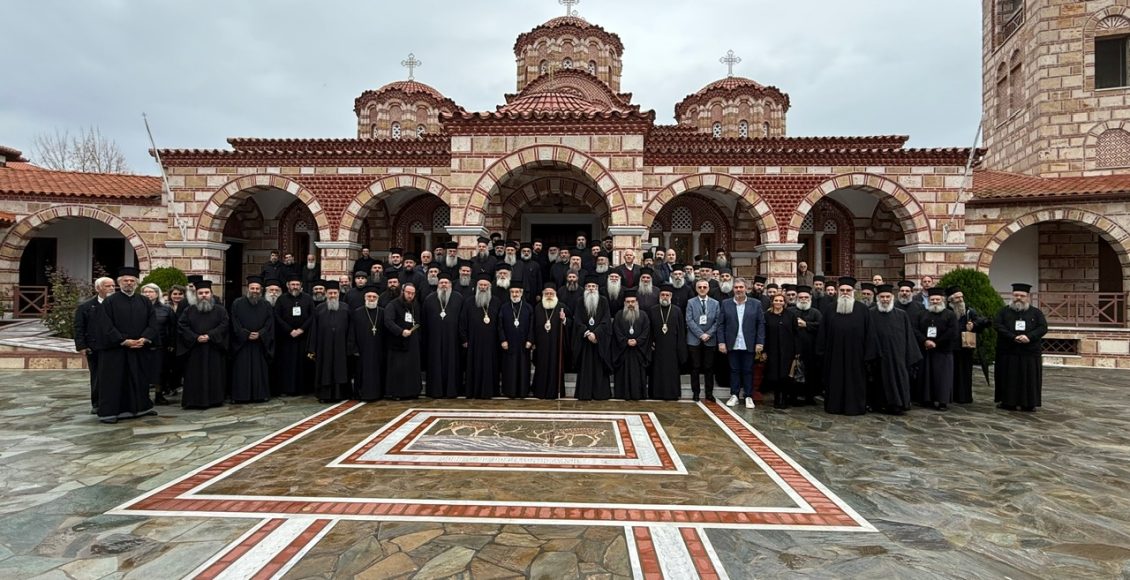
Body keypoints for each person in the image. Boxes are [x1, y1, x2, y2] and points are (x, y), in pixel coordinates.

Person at [93, 267, 158, 424]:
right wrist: (123, 340)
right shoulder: (110, 302)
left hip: (139, 349)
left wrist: (144, 338)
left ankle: (142, 408)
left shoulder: (144, 301)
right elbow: (105, 326)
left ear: (136, 282)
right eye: (125, 280)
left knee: (140, 379)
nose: (129, 283)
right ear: (119, 282)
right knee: (115, 381)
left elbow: (153, 323)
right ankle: (111, 412)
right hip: (117, 351)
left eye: (132, 281)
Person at [816, 276, 878, 416]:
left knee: (855, 381)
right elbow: (822, 333)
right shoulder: (830, 309)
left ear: (853, 292)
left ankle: (854, 407)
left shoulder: (863, 310)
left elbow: (870, 334)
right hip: (834, 355)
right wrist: (821, 353)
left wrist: (869, 355)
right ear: (838, 291)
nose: (845, 292)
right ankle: (834, 406)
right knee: (835, 381)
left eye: (848, 290)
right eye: (842, 290)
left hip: (856, 356)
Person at [993, 283, 1047, 412]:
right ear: (1012, 296)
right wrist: (1012, 337)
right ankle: (1008, 402)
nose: (1018, 298)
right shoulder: (1003, 311)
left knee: (1029, 378)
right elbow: (998, 325)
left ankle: (1029, 403)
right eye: (1016, 295)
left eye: (1022, 296)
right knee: (1008, 378)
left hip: (1029, 352)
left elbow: (1043, 327)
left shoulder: (1036, 313)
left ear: (1027, 297)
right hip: (1008, 351)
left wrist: (1029, 336)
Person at [869, 285, 921, 415]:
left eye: (887, 297)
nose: (885, 299)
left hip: (897, 356)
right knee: (878, 380)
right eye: (882, 297)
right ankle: (878, 404)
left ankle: (897, 404)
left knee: (898, 379)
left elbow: (909, 336)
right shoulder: (870, 313)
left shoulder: (901, 315)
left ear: (892, 297)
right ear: (877, 298)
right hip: (878, 355)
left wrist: (910, 357)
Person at [177, 280, 228, 410]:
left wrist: (210, 336)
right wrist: (196, 337)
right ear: (196, 295)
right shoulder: (189, 310)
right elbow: (182, 326)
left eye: (206, 292)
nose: (204, 295)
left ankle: (215, 400)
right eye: (200, 293)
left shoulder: (220, 310)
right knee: (194, 376)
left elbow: (224, 325)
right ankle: (193, 401)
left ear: (211, 294)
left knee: (214, 374)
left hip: (213, 348)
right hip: (195, 350)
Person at [717, 278, 765, 409]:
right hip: (732, 343)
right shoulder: (726, 304)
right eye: (736, 287)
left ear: (746, 289)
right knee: (734, 370)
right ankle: (734, 395)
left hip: (749, 342)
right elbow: (721, 324)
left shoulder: (756, 304)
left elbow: (761, 324)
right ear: (733, 289)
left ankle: (748, 396)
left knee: (748, 370)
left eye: (741, 287)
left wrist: (760, 342)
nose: (738, 290)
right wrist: (721, 342)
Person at [229, 276, 274, 404]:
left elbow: (269, 323)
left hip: (260, 344)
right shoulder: (237, 303)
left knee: (260, 371)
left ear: (261, 290)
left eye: (257, 288)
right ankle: (240, 396)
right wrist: (245, 334)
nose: (255, 291)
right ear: (247, 289)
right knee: (241, 371)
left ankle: (261, 395)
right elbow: (234, 322)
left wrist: (260, 333)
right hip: (242, 344)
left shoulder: (266, 305)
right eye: (252, 288)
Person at [75, 277, 116, 414]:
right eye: (107, 286)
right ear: (98, 288)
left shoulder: (118, 305)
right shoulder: (86, 307)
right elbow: (79, 327)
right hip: (95, 347)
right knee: (98, 376)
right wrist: (81, 346)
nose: (111, 288)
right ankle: (97, 403)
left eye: (113, 286)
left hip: (115, 346)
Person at [307, 281, 353, 403]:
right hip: (324, 346)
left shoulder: (345, 308)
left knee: (340, 370)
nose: (332, 295)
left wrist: (350, 345)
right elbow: (314, 329)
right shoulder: (319, 309)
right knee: (324, 370)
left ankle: (340, 394)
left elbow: (351, 329)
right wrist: (313, 348)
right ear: (326, 294)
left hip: (341, 346)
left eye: (335, 293)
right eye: (330, 293)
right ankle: (324, 395)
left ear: (338, 294)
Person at [914, 287, 959, 411]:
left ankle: (942, 401)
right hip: (926, 350)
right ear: (929, 300)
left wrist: (936, 343)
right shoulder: (921, 314)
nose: (934, 301)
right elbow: (915, 330)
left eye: (937, 299)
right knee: (926, 376)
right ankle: (926, 399)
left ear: (942, 300)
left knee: (942, 378)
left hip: (943, 351)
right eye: (932, 299)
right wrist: (925, 341)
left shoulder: (949, 314)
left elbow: (953, 332)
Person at [422, 273, 464, 398]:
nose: (444, 285)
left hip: (453, 340)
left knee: (453, 364)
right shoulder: (429, 299)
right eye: (441, 283)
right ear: (438, 284)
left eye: (446, 283)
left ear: (451, 285)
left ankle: (452, 390)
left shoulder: (458, 298)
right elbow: (424, 321)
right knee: (435, 364)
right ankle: (436, 391)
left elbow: (462, 320)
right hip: (434, 340)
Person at [572, 275, 612, 400]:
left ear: (597, 288)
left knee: (599, 367)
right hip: (585, 341)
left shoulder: (604, 301)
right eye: (588, 286)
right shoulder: (580, 301)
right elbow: (577, 320)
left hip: (599, 341)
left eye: (593, 286)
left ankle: (600, 394)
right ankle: (585, 393)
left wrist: (596, 334)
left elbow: (606, 320)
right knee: (586, 367)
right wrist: (587, 333)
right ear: (585, 288)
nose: (591, 289)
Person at [273, 275, 314, 396]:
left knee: (303, 364)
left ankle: (303, 389)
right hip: (286, 339)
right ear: (288, 285)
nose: (295, 287)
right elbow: (277, 316)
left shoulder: (308, 298)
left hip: (303, 338)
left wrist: (301, 329)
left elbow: (312, 315)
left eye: (297, 285)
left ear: (301, 286)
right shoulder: (281, 299)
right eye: (292, 284)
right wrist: (290, 330)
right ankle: (287, 389)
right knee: (287, 364)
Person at [948, 287, 990, 404]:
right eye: (957, 297)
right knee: (951, 373)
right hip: (950, 348)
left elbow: (983, 321)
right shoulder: (946, 310)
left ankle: (963, 397)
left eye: (961, 297)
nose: (960, 299)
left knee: (964, 373)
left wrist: (974, 325)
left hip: (965, 347)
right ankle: (950, 396)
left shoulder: (969, 311)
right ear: (951, 300)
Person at [462, 274, 501, 399]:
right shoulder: (469, 301)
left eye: (485, 285)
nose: (483, 287)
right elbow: (463, 321)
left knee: (490, 366)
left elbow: (500, 323)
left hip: (491, 342)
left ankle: (490, 391)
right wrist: (464, 339)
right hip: (474, 341)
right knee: (474, 365)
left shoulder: (496, 301)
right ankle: (474, 391)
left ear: (489, 287)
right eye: (481, 285)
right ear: (477, 286)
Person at [647, 283, 688, 401]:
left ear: (671, 296)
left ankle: (672, 394)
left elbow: (681, 331)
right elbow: (649, 330)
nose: (665, 297)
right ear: (659, 296)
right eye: (663, 295)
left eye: (667, 295)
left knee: (671, 372)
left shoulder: (677, 310)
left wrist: (680, 348)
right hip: (657, 347)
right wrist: (650, 344)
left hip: (672, 348)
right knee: (657, 371)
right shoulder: (653, 310)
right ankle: (656, 393)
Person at [384, 282, 423, 399]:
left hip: (412, 342)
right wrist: (401, 331)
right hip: (398, 342)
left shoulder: (415, 305)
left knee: (412, 368)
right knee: (399, 369)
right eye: (408, 293)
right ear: (403, 292)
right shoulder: (393, 305)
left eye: (412, 293)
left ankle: (413, 391)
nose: (410, 295)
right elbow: (388, 321)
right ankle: (397, 393)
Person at [532, 283, 570, 399]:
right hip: (541, 344)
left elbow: (571, 324)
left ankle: (554, 392)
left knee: (555, 366)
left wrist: (564, 320)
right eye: (546, 293)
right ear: (543, 295)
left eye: (551, 294)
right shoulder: (538, 307)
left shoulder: (561, 307)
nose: (549, 296)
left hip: (556, 344)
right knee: (541, 366)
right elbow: (532, 326)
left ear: (555, 295)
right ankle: (540, 391)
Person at [685, 279, 721, 402]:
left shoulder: (715, 303)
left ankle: (709, 393)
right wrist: (701, 334)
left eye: (704, 287)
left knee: (709, 367)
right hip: (694, 339)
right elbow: (689, 320)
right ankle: (696, 393)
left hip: (710, 339)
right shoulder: (690, 302)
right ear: (696, 289)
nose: (702, 289)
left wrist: (708, 334)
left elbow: (718, 321)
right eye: (699, 287)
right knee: (695, 367)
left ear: (708, 288)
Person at [612, 289, 650, 400]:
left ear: (637, 302)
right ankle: (622, 394)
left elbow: (646, 331)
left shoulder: (643, 315)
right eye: (628, 302)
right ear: (624, 303)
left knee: (637, 375)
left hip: (638, 352)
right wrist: (625, 341)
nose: (630, 304)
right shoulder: (619, 315)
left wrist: (637, 341)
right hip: (623, 352)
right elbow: (616, 331)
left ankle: (638, 394)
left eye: (633, 302)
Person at [350, 284, 385, 401]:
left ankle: (377, 394)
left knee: (377, 372)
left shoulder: (382, 312)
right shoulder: (357, 312)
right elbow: (352, 331)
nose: (371, 299)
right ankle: (360, 394)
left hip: (378, 349)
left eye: (374, 297)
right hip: (362, 350)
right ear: (365, 298)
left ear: (377, 298)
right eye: (369, 297)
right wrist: (354, 348)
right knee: (361, 373)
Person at [763, 293, 798, 409]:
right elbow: (764, 334)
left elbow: (796, 333)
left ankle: (785, 398)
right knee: (775, 375)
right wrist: (764, 350)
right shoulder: (767, 315)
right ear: (772, 302)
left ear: (784, 302)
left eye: (781, 301)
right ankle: (777, 398)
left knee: (785, 375)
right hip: (772, 349)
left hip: (788, 350)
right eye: (776, 300)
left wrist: (797, 350)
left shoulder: (790, 315)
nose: (778, 303)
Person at [141, 283, 174, 405]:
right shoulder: (138, 308)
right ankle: (143, 396)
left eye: (151, 292)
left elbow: (172, 328)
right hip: (142, 345)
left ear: (157, 293)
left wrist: (171, 343)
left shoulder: (166, 309)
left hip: (161, 345)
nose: (148, 294)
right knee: (143, 372)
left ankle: (159, 395)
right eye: (145, 292)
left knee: (160, 371)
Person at [790, 286, 822, 405]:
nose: (803, 299)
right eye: (801, 297)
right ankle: (793, 396)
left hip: (811, 349)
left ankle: (809, 397)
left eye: (806, 297)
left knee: (810, 374)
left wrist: (806, 324)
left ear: (810, 298)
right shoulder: (791, 311)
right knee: (793, 373)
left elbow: (821, 326)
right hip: (794, 348)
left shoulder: (815, 312)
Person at [499, 286, 533, 398]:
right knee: (510, 368)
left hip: (524, 344)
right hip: (509, 343)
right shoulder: (504, 307)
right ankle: (510, 391)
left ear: (521, 293)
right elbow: (500, 326)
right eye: (512, 292)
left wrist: (530, 340)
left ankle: (523, 391)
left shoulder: (528, 307)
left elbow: (532, 326)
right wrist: (503, 340)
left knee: (523, 367)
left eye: (517, 292)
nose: (514, 294)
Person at [162, 284, 188, 398]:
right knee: (168, 364)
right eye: (175, 294)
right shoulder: (166, 306)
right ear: (170, 295)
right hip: (169, 339)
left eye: (180, 294)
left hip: (183, 339)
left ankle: (175, 385)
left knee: (180, 364)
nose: (177, 296)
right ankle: (167, 386)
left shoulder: (187, 306)